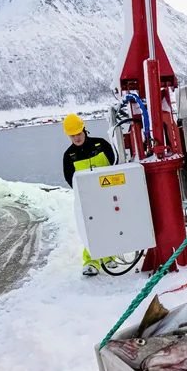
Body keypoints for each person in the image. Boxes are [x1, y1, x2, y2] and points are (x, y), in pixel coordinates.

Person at [62, 113, 118, 276]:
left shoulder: (101, 144)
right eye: (73, 136)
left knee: (110, 225)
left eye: (78, 134)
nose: (76, 138)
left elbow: (115, 163)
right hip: (87, 199)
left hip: (109, 194)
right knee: (90, 229)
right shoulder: (69, 155)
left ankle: (109, 257)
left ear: (84, 130)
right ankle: (91, 261)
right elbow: (69, 178)